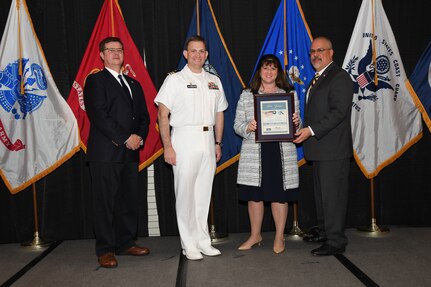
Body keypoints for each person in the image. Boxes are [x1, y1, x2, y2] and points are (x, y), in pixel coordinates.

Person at [154, 35, 227, 260]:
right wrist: (168, 146)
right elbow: (162, 114)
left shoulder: (214, 80)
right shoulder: (174, 80)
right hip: (183, 139)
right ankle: (188, 244)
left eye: (201, 51)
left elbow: (220, 112)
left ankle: (203, 241)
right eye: (193, 51)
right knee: (185, 195)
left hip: (208, 141)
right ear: (185, 54)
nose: (197, 55)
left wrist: (217, 142)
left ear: (206, 54)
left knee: (203, 195)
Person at [84, 37, 151, 268]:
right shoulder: (95, 81)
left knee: (128, 201)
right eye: (110, 50)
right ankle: (105, 249)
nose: (115, 53)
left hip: (130, 153)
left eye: (119, 50)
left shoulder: (134, 84)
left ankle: (125, 243)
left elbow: (144, 117)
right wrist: (125, 138)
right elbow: (99, 115)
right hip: (106, 153)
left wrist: (139, 137)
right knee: (104, 203)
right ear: (101, 55)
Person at [234, 54, 301, 254]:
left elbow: (299, 127)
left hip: (281, 152)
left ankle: (280, 236)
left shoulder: (289, 93)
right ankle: (255, 235)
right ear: (259, 71)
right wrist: (249, 126)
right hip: (255, 152)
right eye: (266, 68)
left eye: (273, 68)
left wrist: (296, 122)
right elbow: (237, 125)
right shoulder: (247, 94)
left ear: (278, 72)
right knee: (255, 196)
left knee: (279, 196)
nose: (269, 72)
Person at [293, 36, 353, 256]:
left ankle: (336, 241)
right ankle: (326, 232)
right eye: (312, 51)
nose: (315, 55)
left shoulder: (339, 77)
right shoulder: (318, 78)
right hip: (320, 150)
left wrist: (310, 131)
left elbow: (338, 113)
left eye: (320, 50)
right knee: (322, 197)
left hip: (333, 150)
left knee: (333, 198)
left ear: (331, 52)